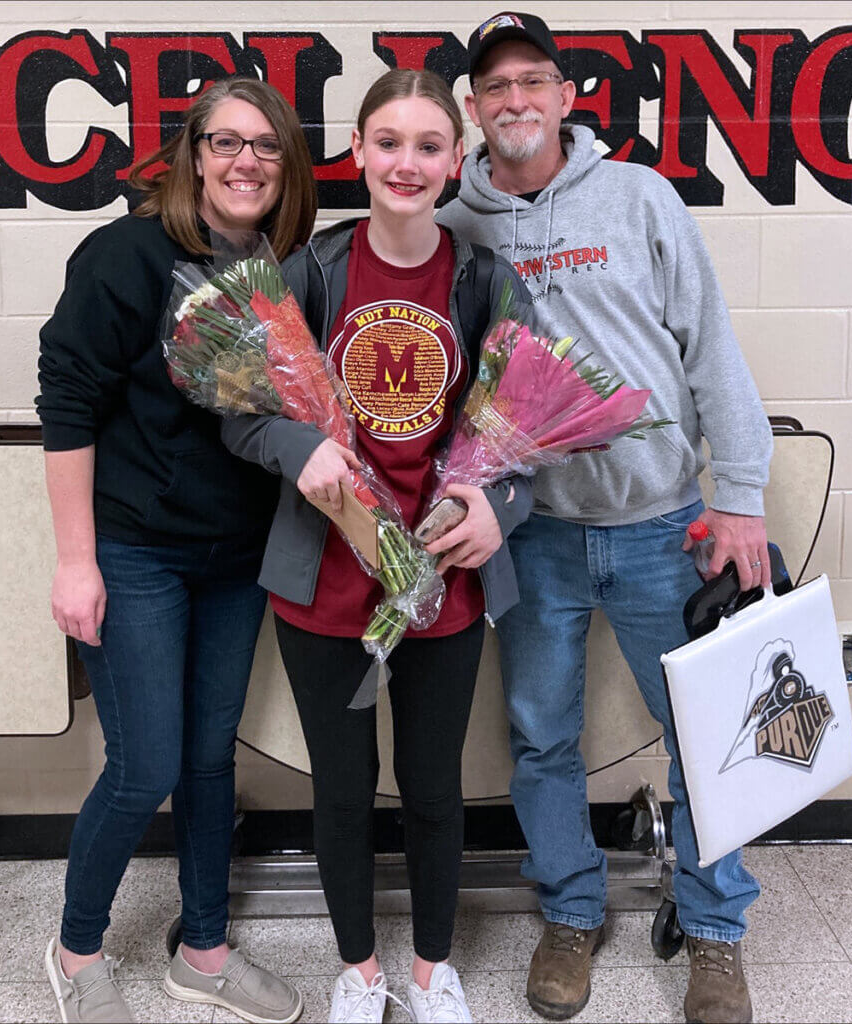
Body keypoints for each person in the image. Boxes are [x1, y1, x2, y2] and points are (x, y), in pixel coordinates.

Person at [438, 12, 773, 1024]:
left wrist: (740, 497)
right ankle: (571, 911)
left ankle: (715, 934)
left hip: (660, 528)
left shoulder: (639, 199)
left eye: (532, 80)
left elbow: (708, 345)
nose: (515, 101)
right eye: (494, 87)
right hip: (531, 535)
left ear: (566, 94)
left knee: (704, 736)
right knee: (540, 737)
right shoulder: (457, 223)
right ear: (472, 109)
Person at [221, 68, 532, 1024]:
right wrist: (297, 442)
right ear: (357, 153)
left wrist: (497, 510)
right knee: (343, 791)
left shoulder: (486, 278)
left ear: (457, 161)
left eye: (429, 145)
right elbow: (241, 416)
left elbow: (524, 433)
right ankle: (359, 970)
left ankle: (434, 969)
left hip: (444, 584)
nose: (407, 162)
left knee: (437, 789)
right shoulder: (309, 274)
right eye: (387, 143)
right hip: (325, 582)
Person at [36, 77, 317, 1024]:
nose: (246, 162)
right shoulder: (124, 254)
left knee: (207, 762)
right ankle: (76, 951)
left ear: (285, 169)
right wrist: (77, 563)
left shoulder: (285, 268)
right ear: (193, 154)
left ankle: (202, 949)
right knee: (144, 765)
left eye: (266, 147)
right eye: (226, 142)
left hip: (235, 559)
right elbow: (66, 404)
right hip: (136, 555)